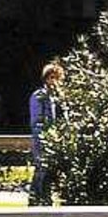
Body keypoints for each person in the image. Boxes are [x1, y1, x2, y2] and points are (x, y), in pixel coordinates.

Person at [28, 63, 65, 205]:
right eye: (52, 77)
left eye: (58, 78)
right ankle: (35, 197)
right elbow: (37, 121)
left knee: (50, 169)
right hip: (42, 138)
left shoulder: (57, 97)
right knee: (41, 167)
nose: (55, 81)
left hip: (54, 137)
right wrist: (45, 136)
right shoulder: (39, 96)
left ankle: (45, 196)